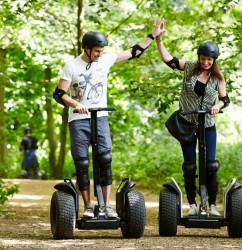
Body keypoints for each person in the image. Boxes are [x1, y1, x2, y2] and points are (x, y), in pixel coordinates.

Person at [53, 21, 164, 218]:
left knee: (105, 159)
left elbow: (134, 51)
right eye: (96, 51)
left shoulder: (104, 60)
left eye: (101, 51)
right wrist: (76, 104)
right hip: (78, 120)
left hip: (101, 117)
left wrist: (153, 35)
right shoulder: (71, 65)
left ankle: (105, 205)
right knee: (82, 162)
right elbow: (59, 94)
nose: (99, 55)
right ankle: (87, 206)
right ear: (86, 49)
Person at [155, 18, 230, 216]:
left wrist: (218, 106)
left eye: (209, 60)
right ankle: (193, 205)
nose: (206, 62)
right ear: (199, 57)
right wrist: (158, 40)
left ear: (214, 61)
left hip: (207, 125)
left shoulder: (218, 78)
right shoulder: (188, 68)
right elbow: (168, 60)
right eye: (203, 58)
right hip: (187, 123)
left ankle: (211, 205)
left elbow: (226, 100)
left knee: (211, 165)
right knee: (190, 166)